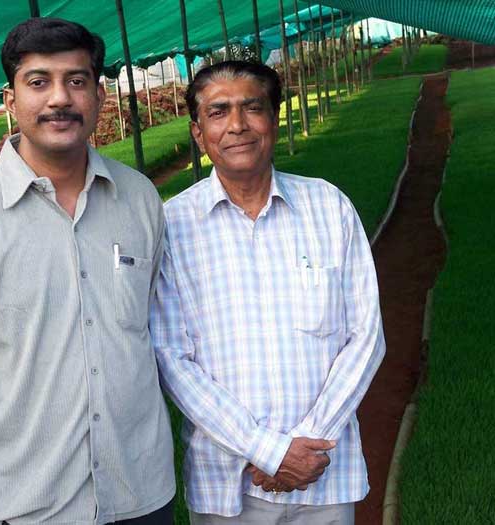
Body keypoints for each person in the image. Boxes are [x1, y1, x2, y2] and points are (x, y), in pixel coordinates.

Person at [0, 18, 175, 525]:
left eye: (76, 80)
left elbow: (156, 329)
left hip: (142, 493)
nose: (59, 98)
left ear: (99, 95)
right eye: (38, 82)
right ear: (10, 100)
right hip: (29, 506)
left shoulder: (140, 199)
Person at [150, 60, 385, 524]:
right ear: (198, 132)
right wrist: (269, 450)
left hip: (323, 471)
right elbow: (171, 358)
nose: (237, 125)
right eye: (218, 112)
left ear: (274, 119)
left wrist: (307, 446)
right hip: (227, 483)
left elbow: (366, 336)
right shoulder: (171, 226)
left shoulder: (329, 207)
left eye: (252, 108)